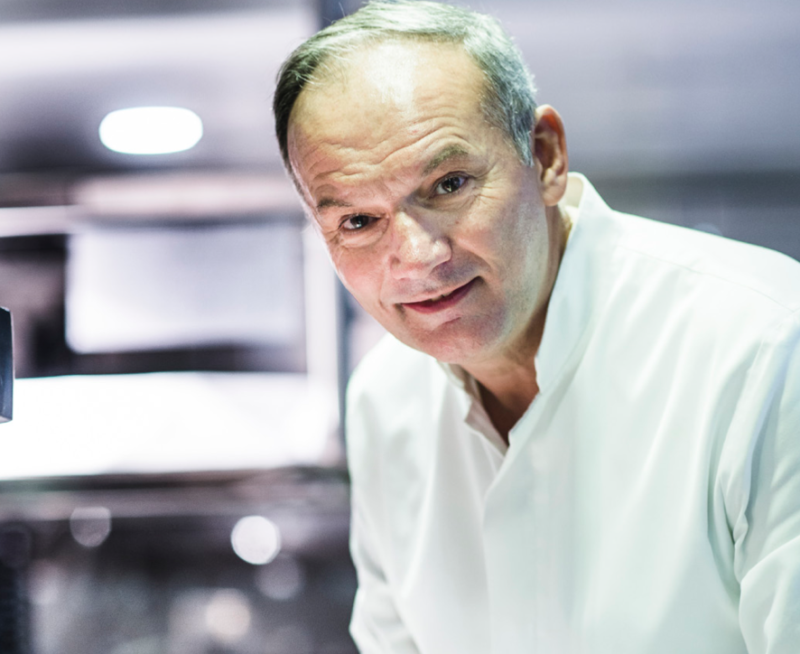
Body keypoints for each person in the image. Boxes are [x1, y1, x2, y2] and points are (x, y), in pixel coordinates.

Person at [273, 1, 800, 652]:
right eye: (357, 221)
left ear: (545, 156)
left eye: (449, 184)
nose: (417, 256)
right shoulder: (385, 399)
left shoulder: (762, 346)